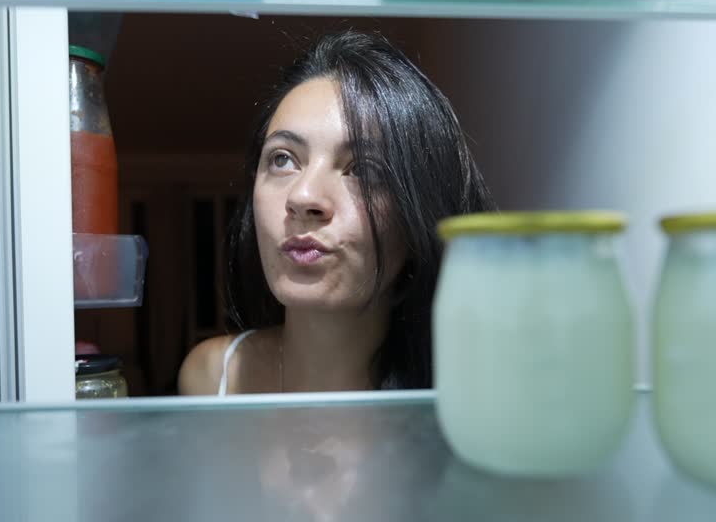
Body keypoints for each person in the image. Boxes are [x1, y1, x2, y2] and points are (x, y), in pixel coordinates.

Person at [178, 30, 494, 396]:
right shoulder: (212, 378)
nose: (303, 196)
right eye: (283, 159)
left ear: (418, 213)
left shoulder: (472, 398)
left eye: (362, 169)